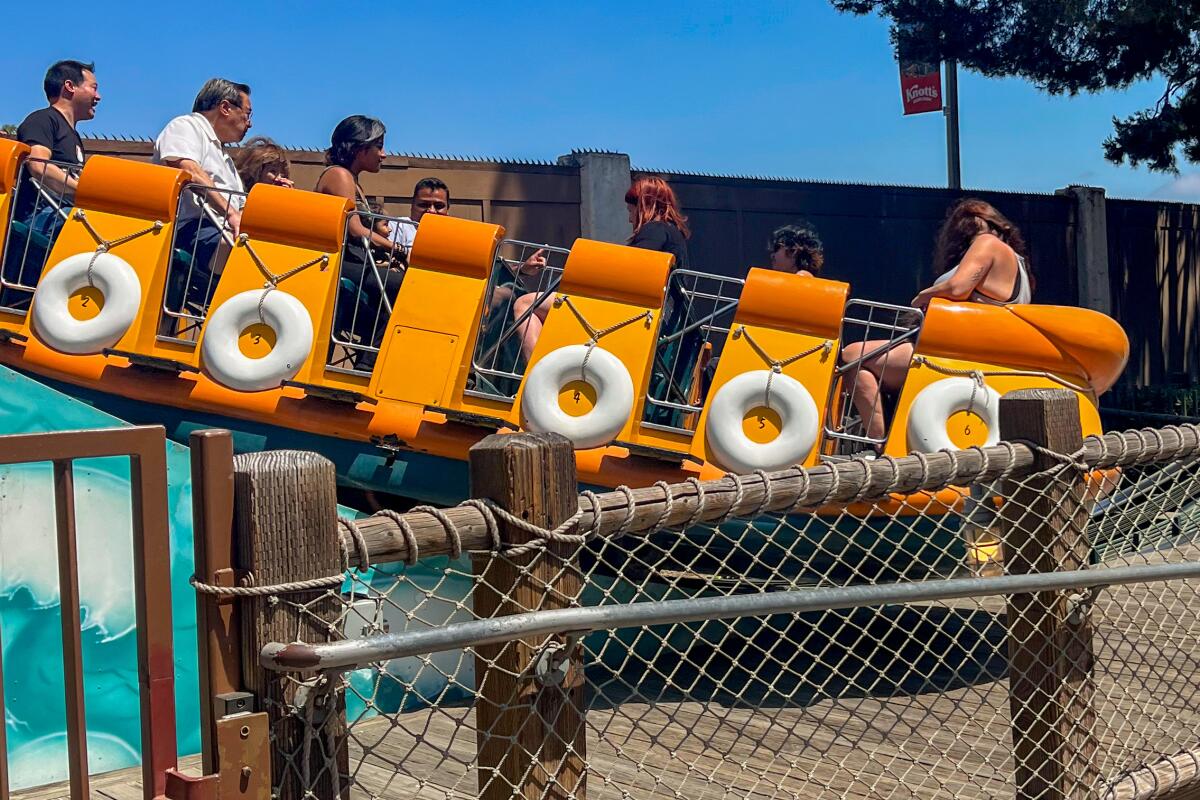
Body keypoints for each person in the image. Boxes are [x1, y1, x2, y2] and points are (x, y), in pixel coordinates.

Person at [840, 198, 1035, 446]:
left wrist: (922, 297)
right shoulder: (1018, 263)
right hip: (973, 350)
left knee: (853, 356)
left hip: (954, 351)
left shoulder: (987, 243)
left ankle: (877, 443)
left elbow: (957, 287)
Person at [511, 176, 688, 361]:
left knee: (525, 303)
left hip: (632, 315)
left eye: (631, 210)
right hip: (658, 315)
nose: (629, 219)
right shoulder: (672, 233)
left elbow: (631, 268)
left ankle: (537, 373)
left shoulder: (655, 230)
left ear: (644, 205)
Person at [3, 60, 100, 305]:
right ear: (70, 87)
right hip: (40, 217)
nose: (98, 96)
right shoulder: (43, 120)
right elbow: (38, 166)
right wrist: (86, 192)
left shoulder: (75, 137)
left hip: (61, 215)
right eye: (93, 87)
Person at [154, 78, 254, 313]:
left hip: (218, 231)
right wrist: (231, 214)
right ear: (225, 107)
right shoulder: (185, 126)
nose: (249, 124)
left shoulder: (224, 156)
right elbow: (187, 169)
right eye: (247, 114)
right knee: (250, 255)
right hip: (191, 229)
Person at [314, 115, 404, 358]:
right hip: (339, 263)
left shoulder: (352, 180)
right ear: (359, 148)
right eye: (379, 146)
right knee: (405, 285)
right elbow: (355, 229)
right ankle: (368, 363)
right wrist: (397, 248)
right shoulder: (339, 176)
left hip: (353, 261)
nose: (383, 154)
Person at [389, 176, 452, 255]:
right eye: (424, 205)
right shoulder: (398, 226)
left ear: (447, 209)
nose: (431, 211)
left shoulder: (455, 235)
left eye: (438, 206)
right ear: (412, 206)